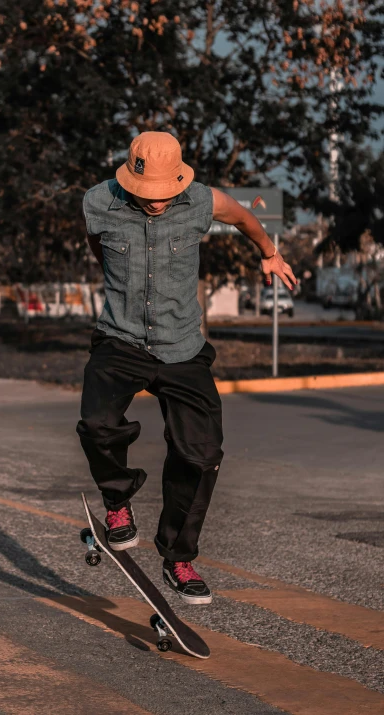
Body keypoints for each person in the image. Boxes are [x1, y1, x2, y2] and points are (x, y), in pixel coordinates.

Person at [77, 131, 297, 604]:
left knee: (202, 455)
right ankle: (117, 503)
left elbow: (243, 217)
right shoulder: (98, 202)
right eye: (146, 194)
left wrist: (269, 254)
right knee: (96, 422)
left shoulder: (201, 200)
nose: (155, 202)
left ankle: (178, 556)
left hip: (182, 346)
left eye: (164, 192)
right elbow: (97, 245)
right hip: (121, 337)